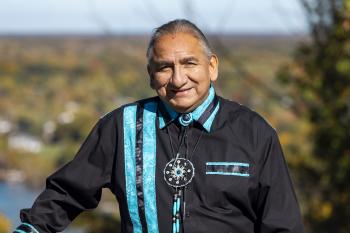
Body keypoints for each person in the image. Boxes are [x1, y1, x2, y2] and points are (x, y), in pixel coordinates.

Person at [13, 19, 304, 233]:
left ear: (212, 67)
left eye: (189, 63)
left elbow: (281, 225)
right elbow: (66, 194)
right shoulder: (121, 128)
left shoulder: (254, 133)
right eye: (165, 67)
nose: (178, 79)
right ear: (151, 75)